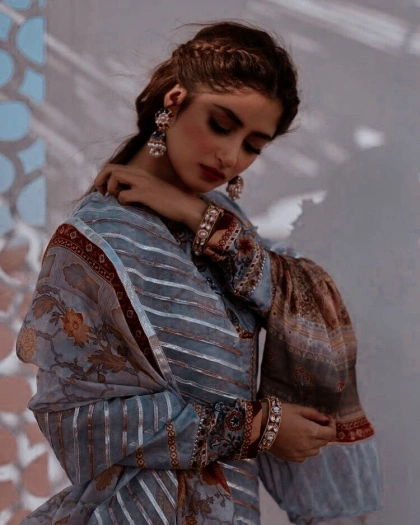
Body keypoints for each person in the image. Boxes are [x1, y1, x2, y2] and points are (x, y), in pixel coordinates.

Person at [16, 21, 382, 525]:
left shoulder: (224, 230)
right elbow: (78, 420)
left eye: (253, 145)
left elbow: (302, 297)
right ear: (175, 100)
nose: (231, 157)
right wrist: (257, 428)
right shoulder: (96, 241)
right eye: (221, 124)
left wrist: (200, 217)